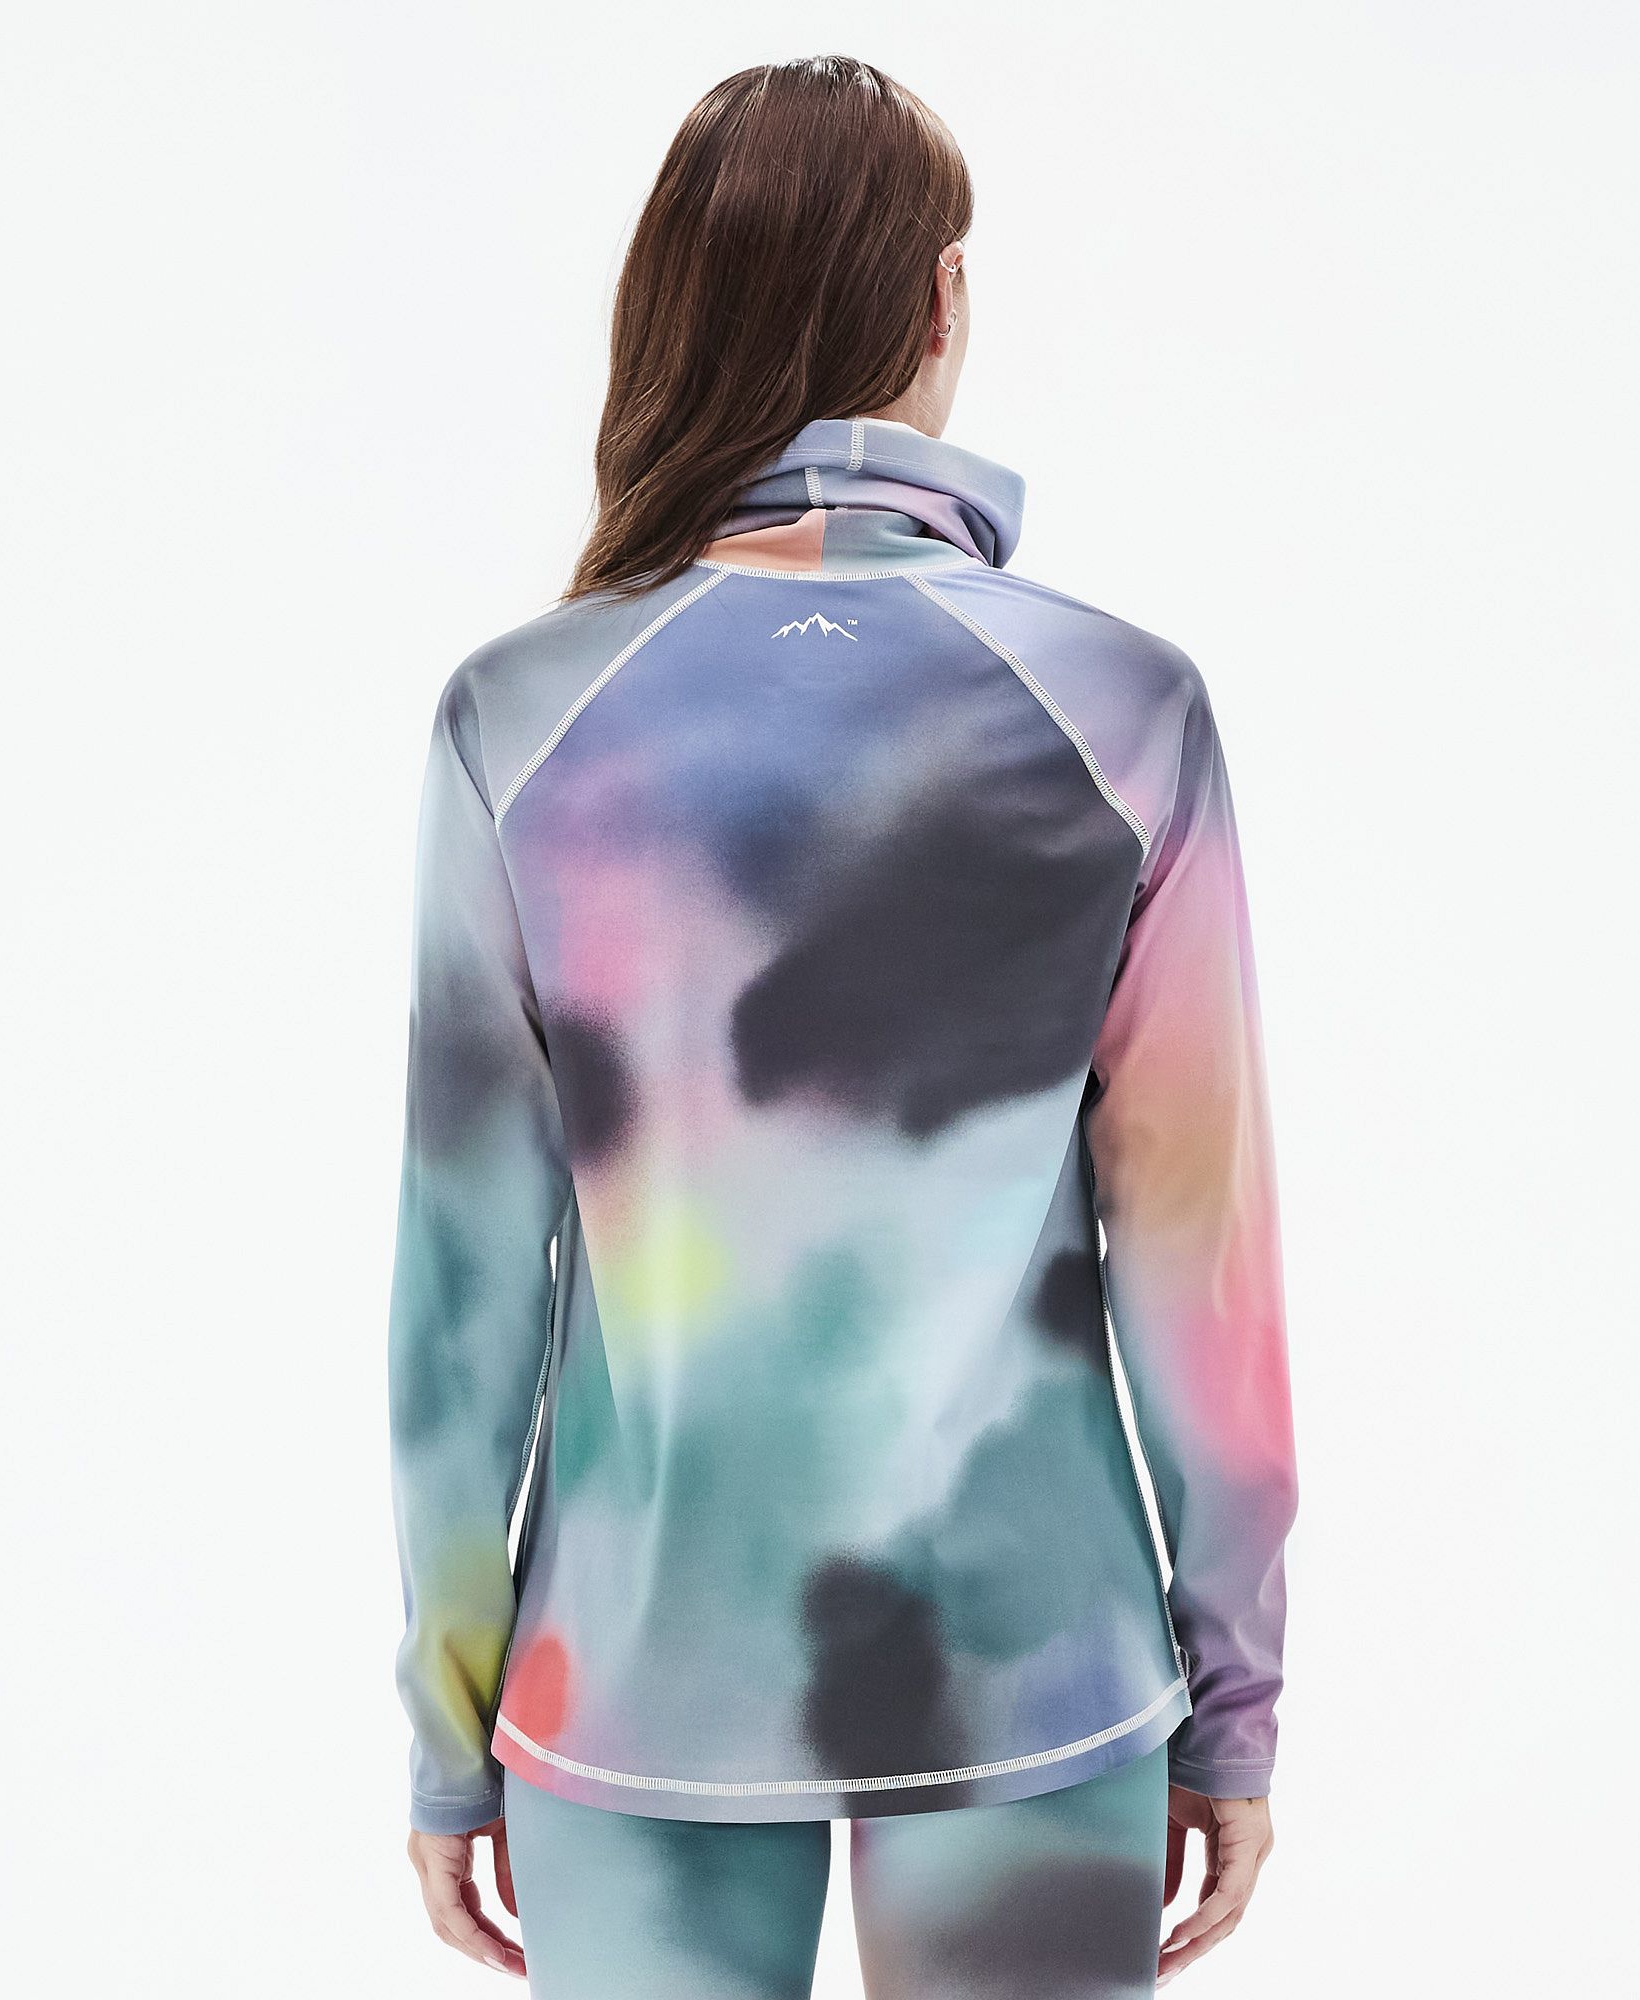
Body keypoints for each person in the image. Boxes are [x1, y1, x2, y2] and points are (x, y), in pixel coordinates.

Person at [387, 53, 1297, 2000]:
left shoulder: (520, 717)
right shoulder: (1121, 710)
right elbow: (1202, 1275)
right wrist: (1234, 1703)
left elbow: (463, 1299)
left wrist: (449, 1724)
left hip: (624, 1691)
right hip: (1035, 1674)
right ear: (944, 300)